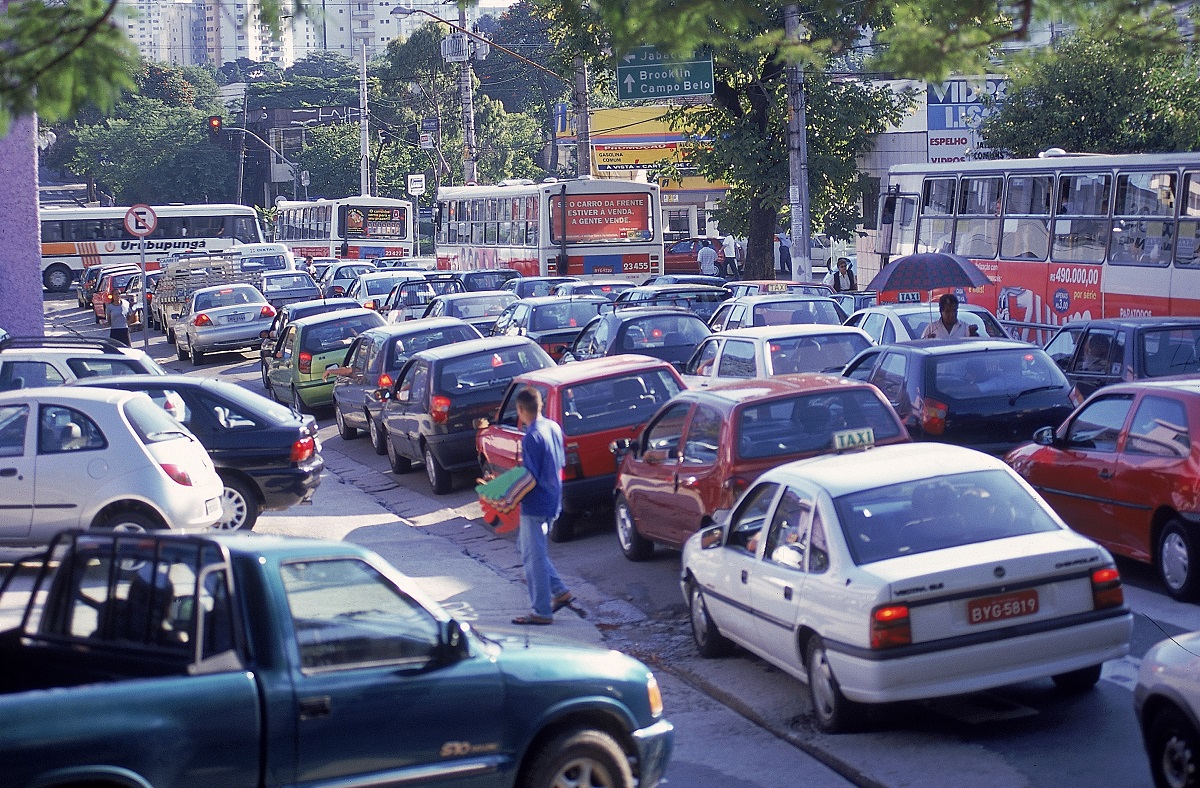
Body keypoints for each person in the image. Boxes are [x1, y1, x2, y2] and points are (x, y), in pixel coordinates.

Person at [511, 387, 573, 625]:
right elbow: (560, 462)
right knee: (528, 548)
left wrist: (509, 496)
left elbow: (529, 477)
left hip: (536, 503)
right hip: (553, 497)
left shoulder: (531, 437)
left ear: (520, 410)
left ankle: (541, 611)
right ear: (540, 405)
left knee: (533, 558)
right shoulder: (552, 427)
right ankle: (560, 591)